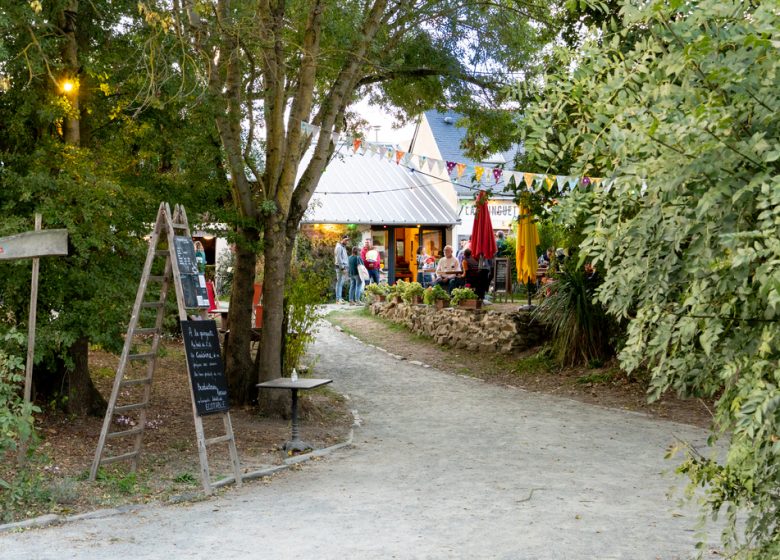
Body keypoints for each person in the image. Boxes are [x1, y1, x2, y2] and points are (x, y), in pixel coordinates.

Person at [334, 235, 349, 303]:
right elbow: (339, 259)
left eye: (347, 240)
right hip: (340, 268)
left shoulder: (342, 247)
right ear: (342, 239)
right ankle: (338, 299)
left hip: (343, 267)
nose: (347, 241)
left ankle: (339, 297)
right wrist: (342, 268)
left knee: (341, 283)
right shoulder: (339, 247)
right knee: (339, 283)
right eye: (346, 240)